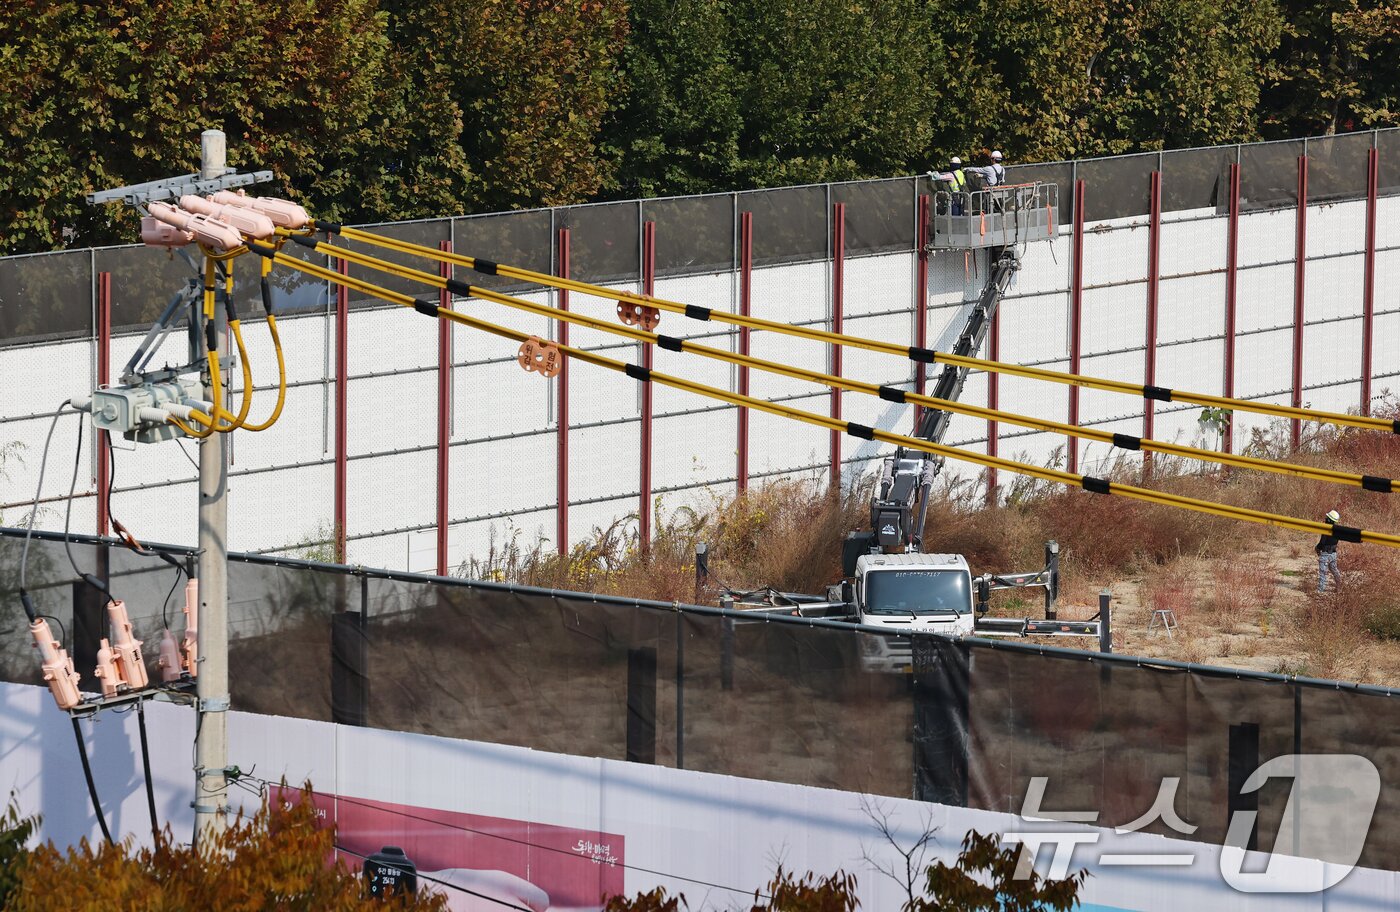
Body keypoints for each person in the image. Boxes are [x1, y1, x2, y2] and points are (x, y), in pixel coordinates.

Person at [1316, 510, 1343, 592]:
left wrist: (1317, 548)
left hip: (1325, 554)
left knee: (1322, 573)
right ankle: (1339, 587)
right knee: (1334, 570)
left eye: (1327, 517)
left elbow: (1322, 542)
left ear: (1329, 520)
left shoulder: (1326, 529)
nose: (1325, 518)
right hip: (1333, 554)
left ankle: (1320, 590)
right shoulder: (1337, 530)